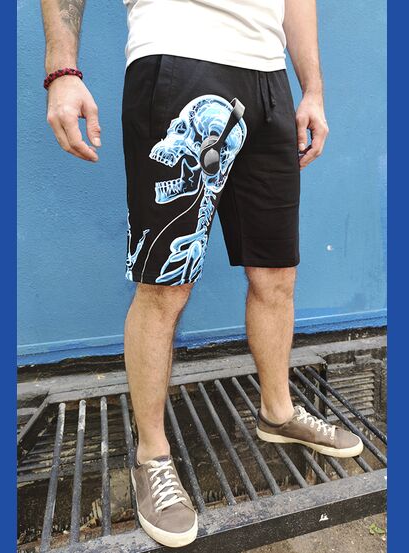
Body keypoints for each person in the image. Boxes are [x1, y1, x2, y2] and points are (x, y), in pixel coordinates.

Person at [41, 0, 363, 547]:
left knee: (276, 274)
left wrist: (311, 89)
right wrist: (62, 69)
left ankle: (278, 412)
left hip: (269, 81)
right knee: (166, 284)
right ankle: (152, 455)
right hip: (176, 58)